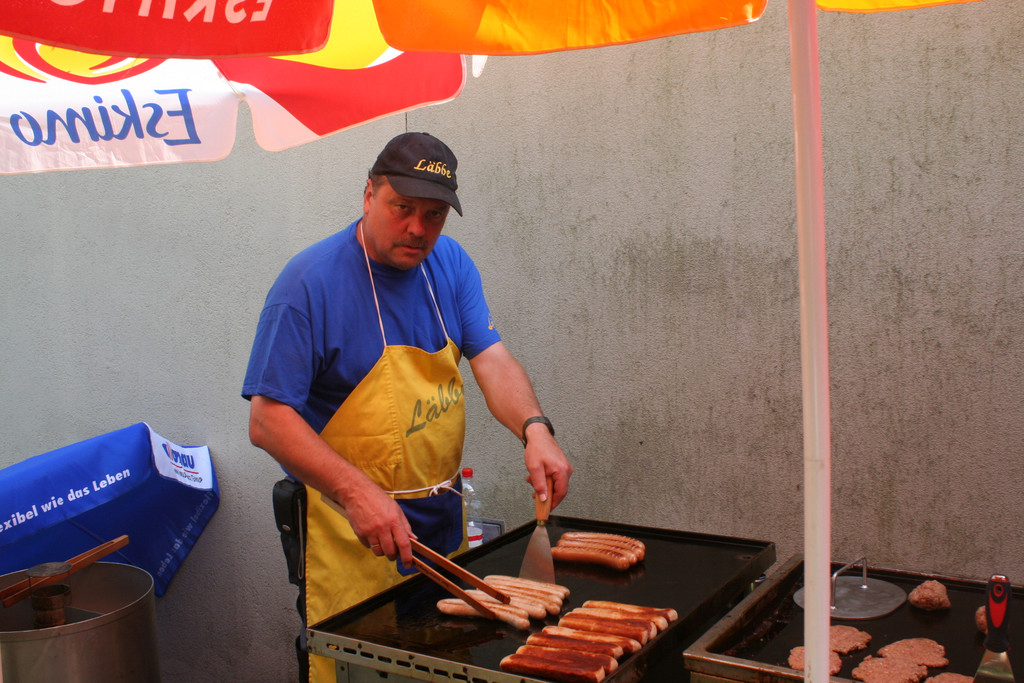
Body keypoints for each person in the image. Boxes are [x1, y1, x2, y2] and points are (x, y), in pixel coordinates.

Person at [242, 132, 573, 683]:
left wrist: (535, 429)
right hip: (352, 536)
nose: (419, 228)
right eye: (403, 208)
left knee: (445, 666)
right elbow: (267, 421)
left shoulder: (450, 264)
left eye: (434, 214)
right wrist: (356, 494)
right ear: (369, 194)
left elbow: (490, 357)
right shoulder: (308, 285)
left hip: (439, 530)